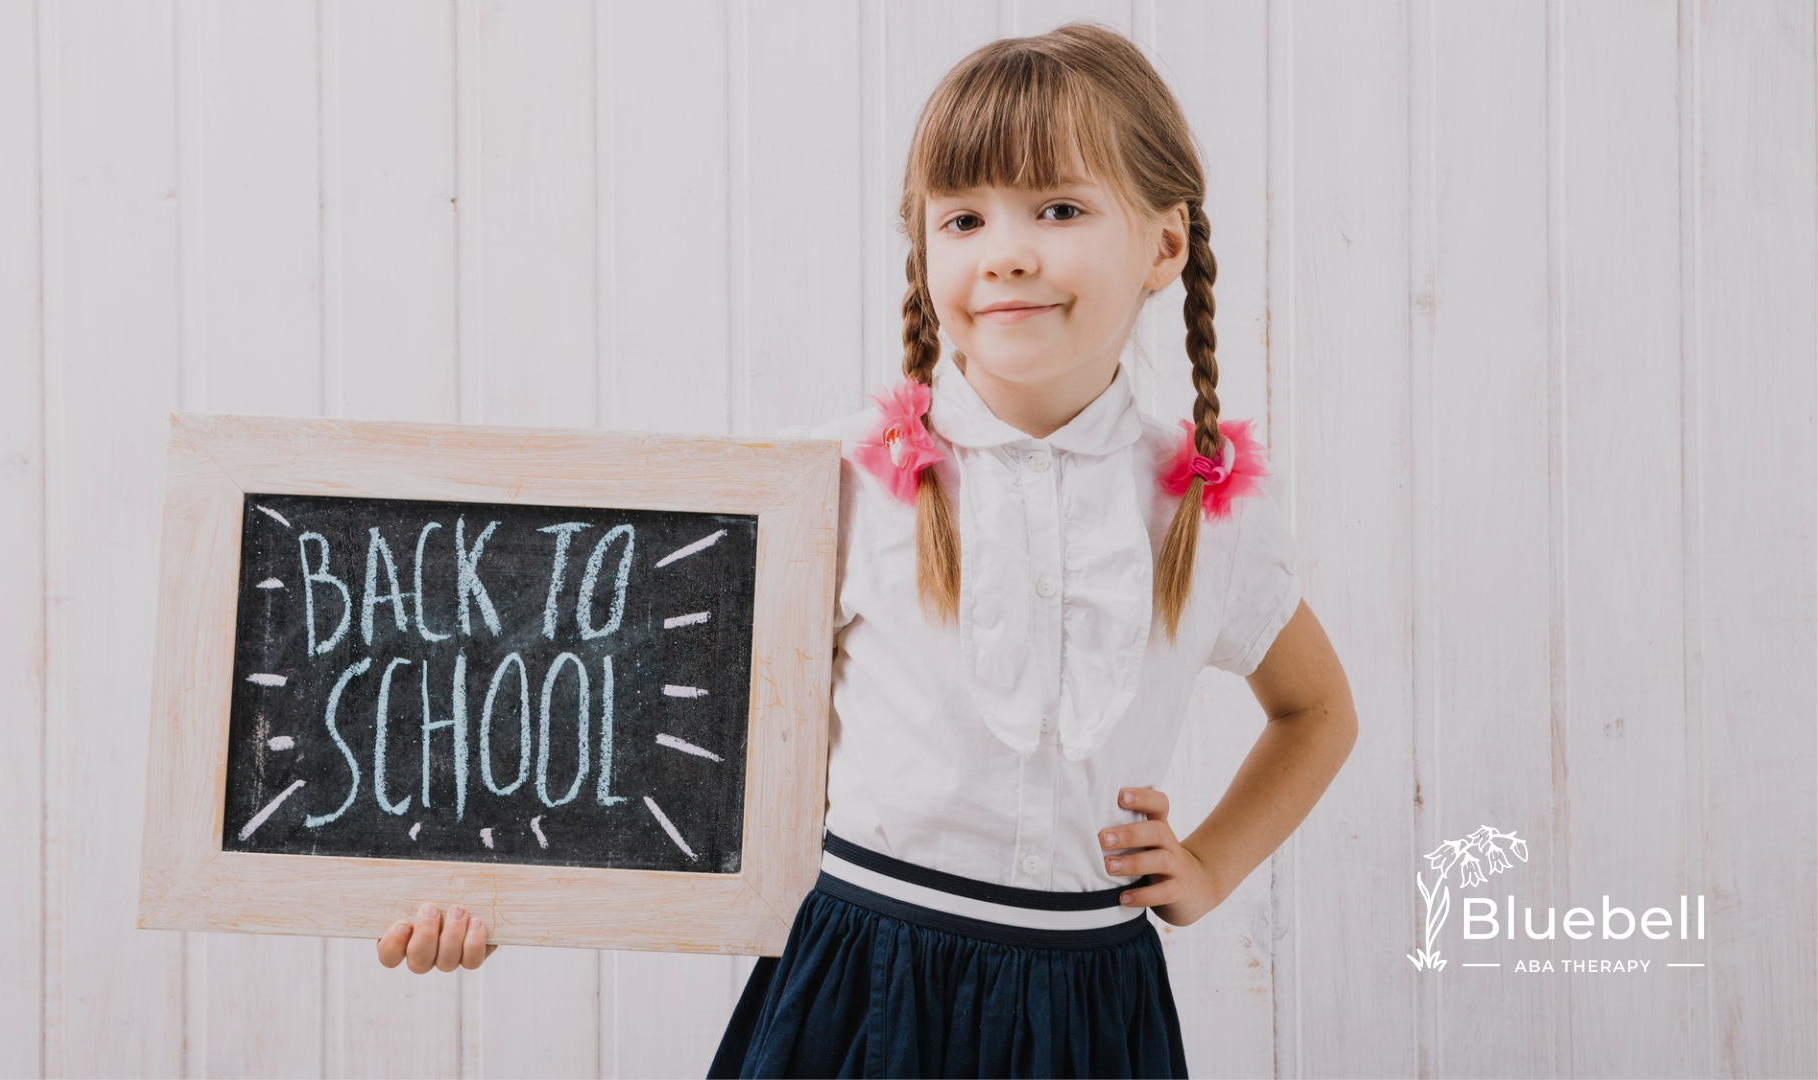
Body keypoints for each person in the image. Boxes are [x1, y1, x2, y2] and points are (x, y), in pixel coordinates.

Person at [378, 21, 1357, 1079]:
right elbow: (617, 720)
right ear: (923, 250)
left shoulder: (1207, 508)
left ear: (1165, 245)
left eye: (1060, 209)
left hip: (1093, 1006)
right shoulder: (830, 481)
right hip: (861, 992)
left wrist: (1209, 865)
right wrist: (479, 886)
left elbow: (1316, 712)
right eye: (965, 218)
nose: (1008, 250)